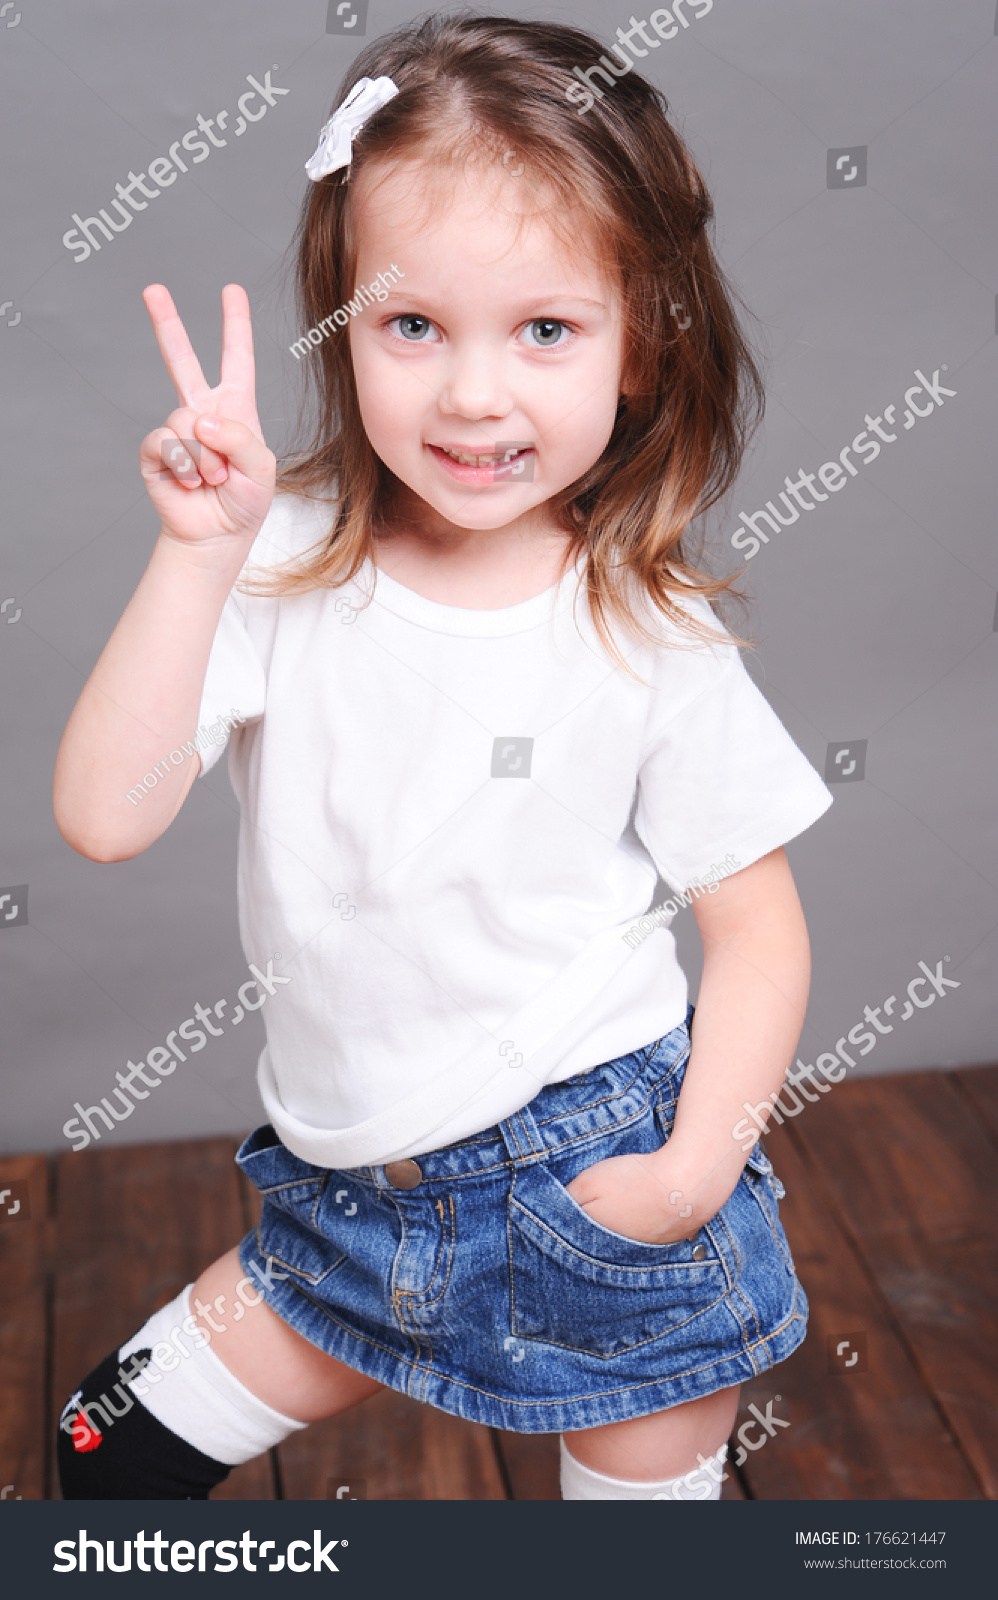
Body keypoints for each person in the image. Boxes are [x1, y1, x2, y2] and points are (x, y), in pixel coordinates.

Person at [53, 12, 831, 1502]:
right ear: (343, 323)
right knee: (102, 1462)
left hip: (595, 1184)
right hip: (349, 1204)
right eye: (413, 327)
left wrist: (684, 1176)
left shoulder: (641, 623)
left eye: (544, 329)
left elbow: (758, 934)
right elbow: (102, 815)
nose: (474, 395)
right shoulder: (271, 562)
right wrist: (188, 561)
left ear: (640, 336)